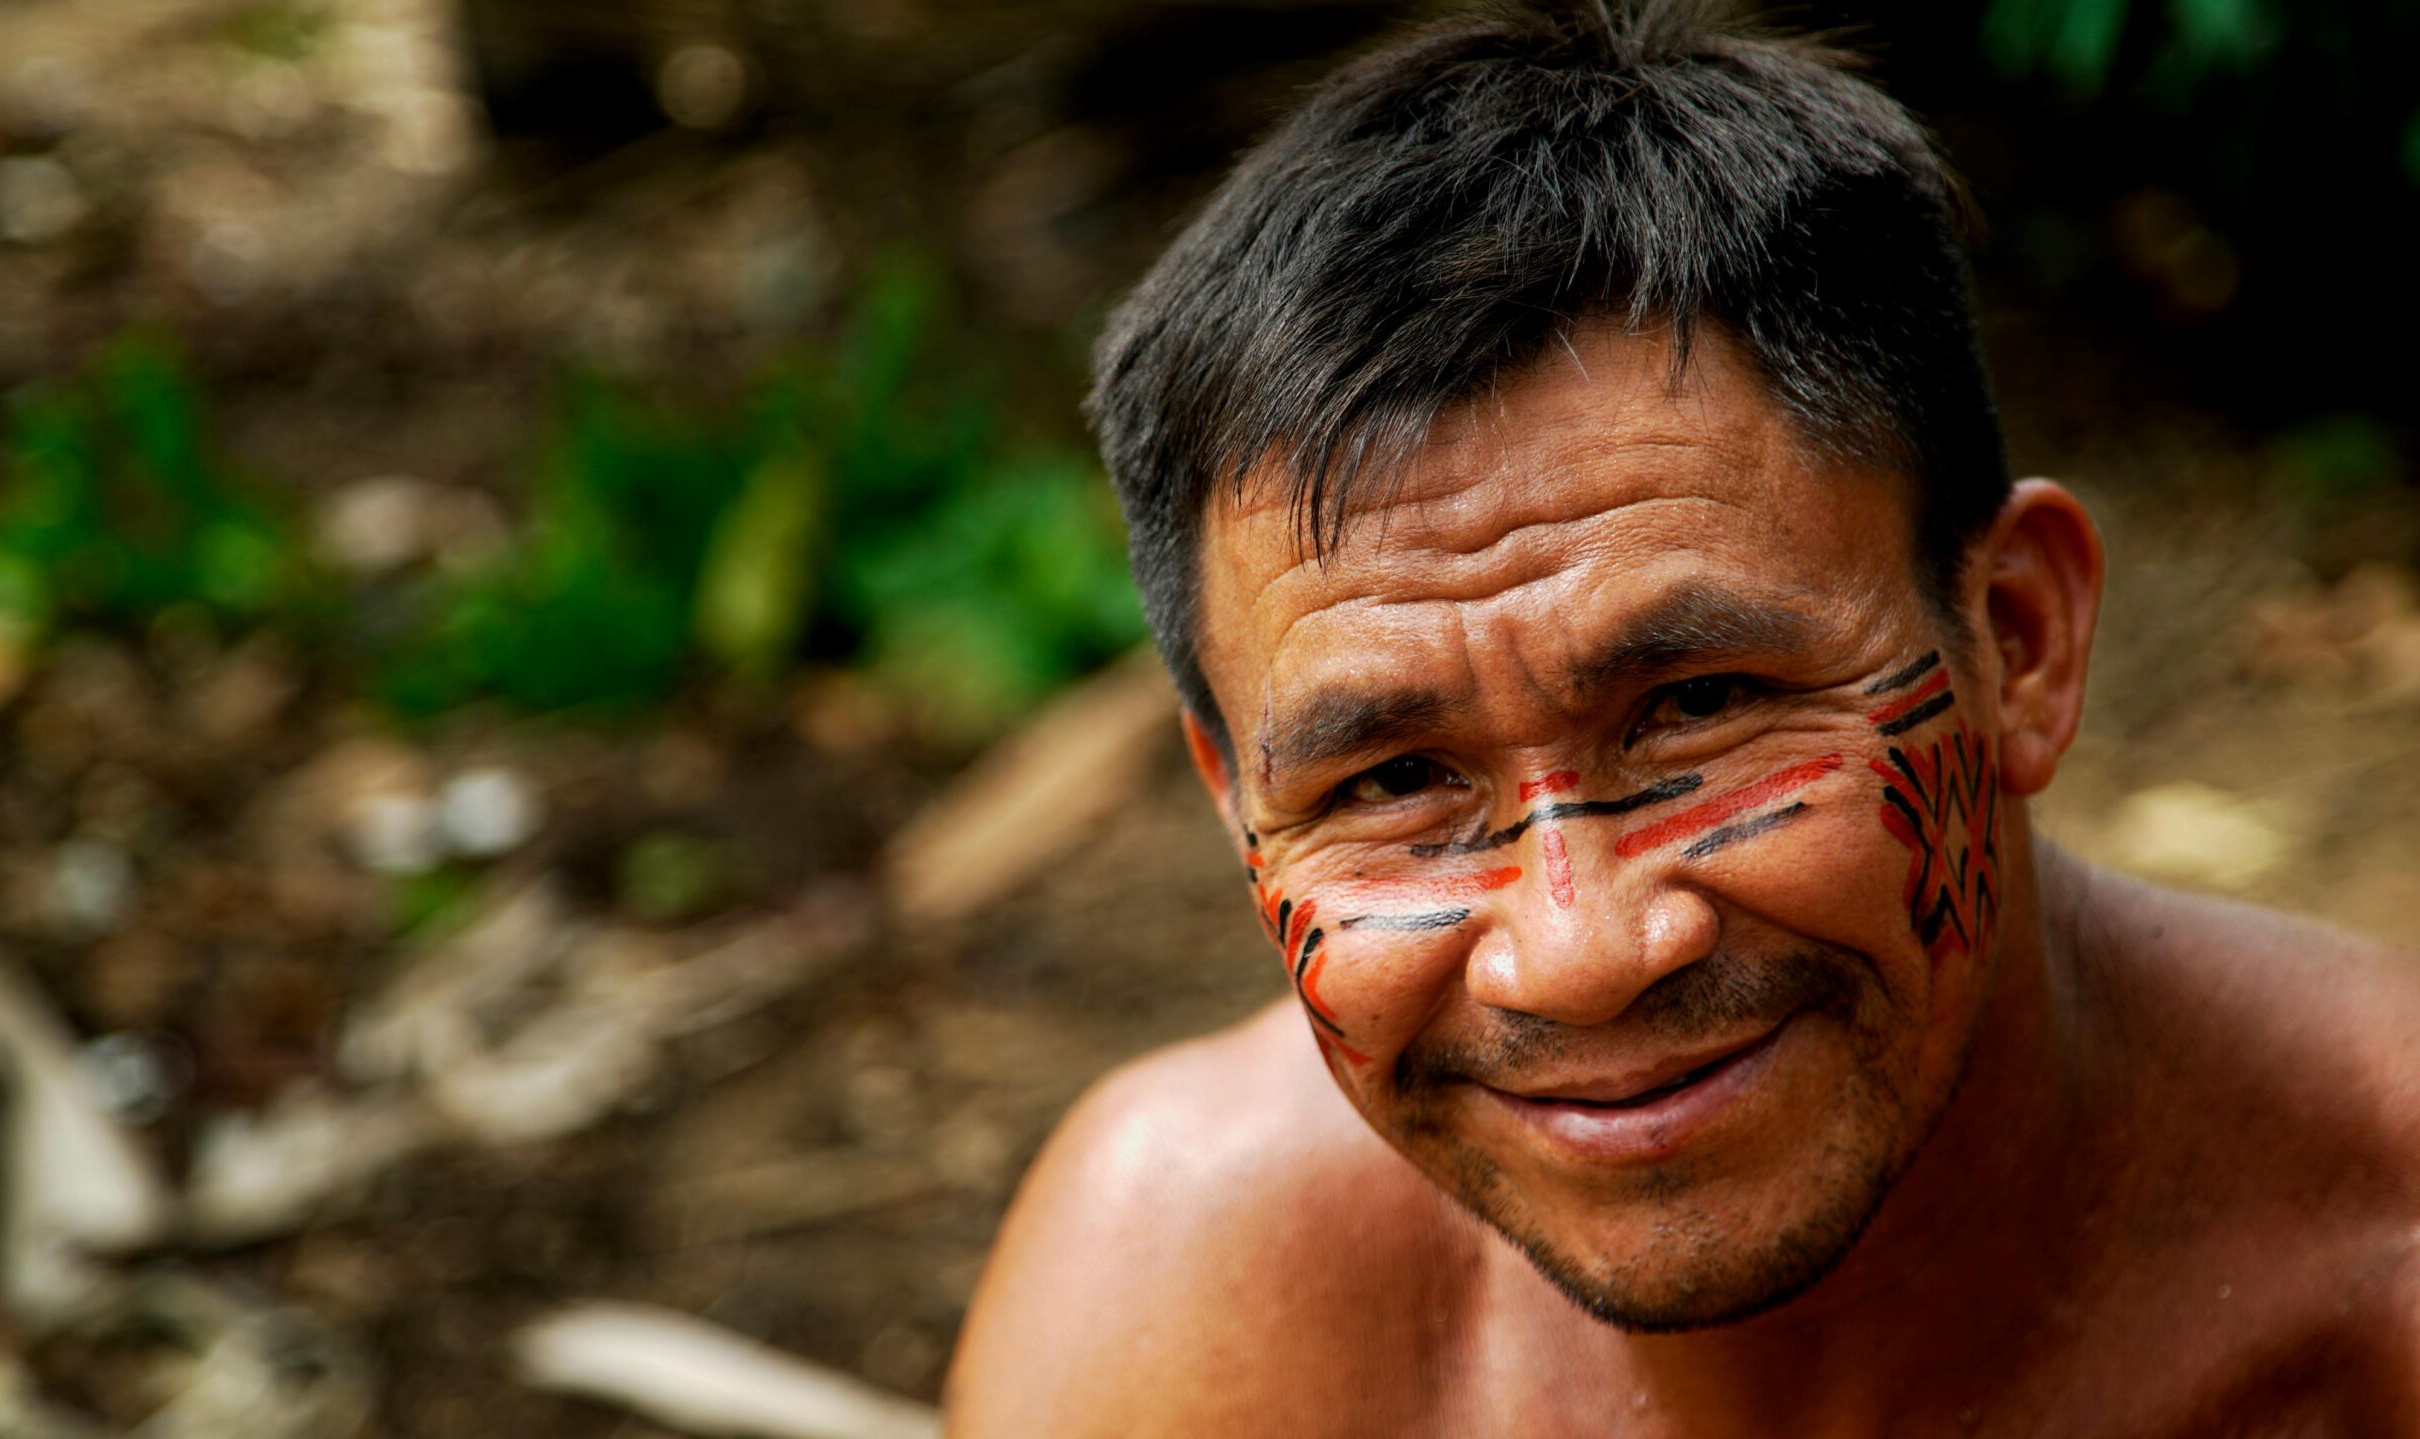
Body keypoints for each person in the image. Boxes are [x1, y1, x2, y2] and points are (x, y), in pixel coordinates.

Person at [944, 2, 2420, 1433]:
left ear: (2017, 642)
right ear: (1236, 804)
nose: (1579, 953)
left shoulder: (2379, 1278)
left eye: (1700, 706)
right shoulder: (1182, 1316)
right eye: (1393, 781)